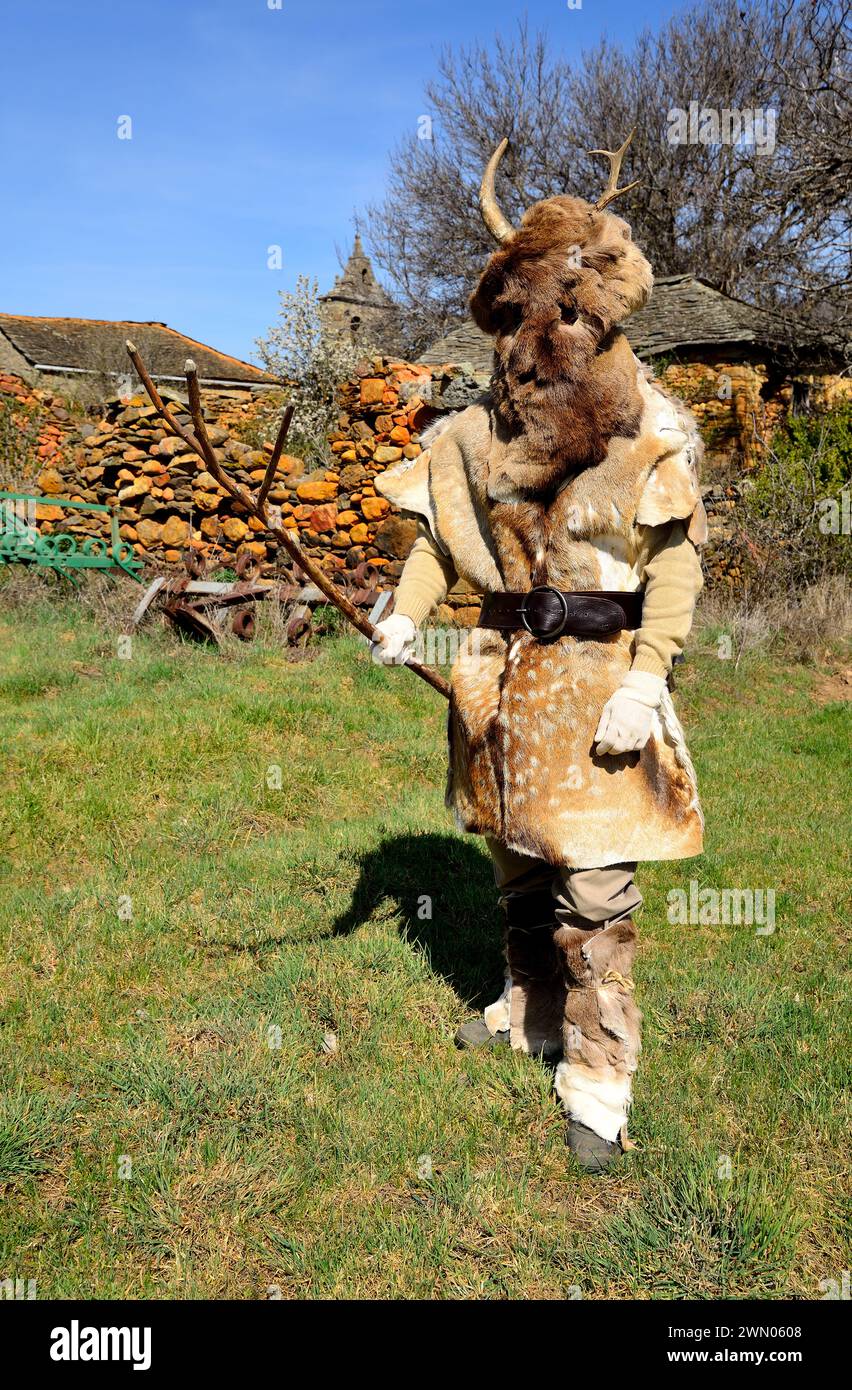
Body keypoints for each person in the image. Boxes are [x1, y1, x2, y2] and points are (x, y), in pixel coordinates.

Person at [371, 135, 706, 1173]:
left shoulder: (646, 428)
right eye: (525, 313)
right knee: (515, 863)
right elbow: (440, 536)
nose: (543, 333)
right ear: (508, 312)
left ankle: (602, 1084)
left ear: (595, 306)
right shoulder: (475, 432)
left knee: (595, 894)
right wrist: (404, 610)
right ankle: (531, 1015)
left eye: (563, 308)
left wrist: (649, 679)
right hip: (507, 682)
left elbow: (676, 564)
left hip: (604, 683)